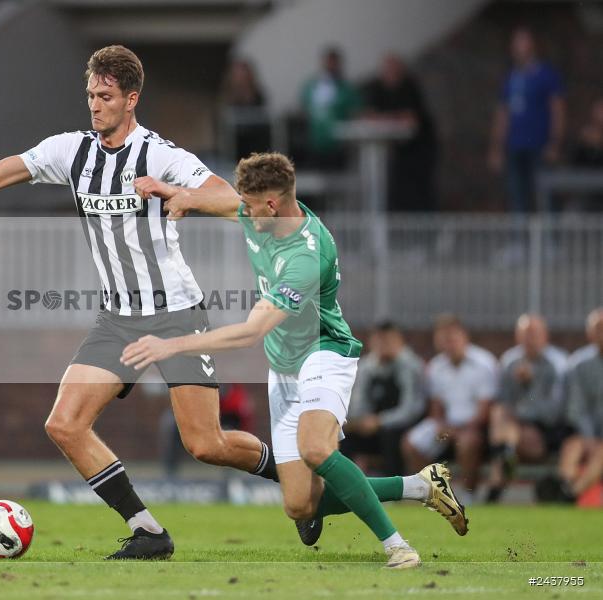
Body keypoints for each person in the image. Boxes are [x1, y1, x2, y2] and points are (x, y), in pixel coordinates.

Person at [0, 45, 282, 560]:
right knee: (63, 423)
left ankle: (293, 469)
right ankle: (148, 531)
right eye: (90, 95)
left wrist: (180, 193)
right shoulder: (69, 150)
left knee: (206, 444)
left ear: (131, 99)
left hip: (176, 315)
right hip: (117, 320)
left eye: (105, 97)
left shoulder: (161, 155)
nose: (94, 105)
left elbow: (235, 202)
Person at [121, 153, 469, 570]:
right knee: (300, 506)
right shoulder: (260, 214)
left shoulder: (305, 256)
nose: (243, 211)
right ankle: (420, 487)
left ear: (271, 204)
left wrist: (171, 346)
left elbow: (251, 331)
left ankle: (397, 545)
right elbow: (222, 202)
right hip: (283, 368)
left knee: (316, 449)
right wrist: (177, 194)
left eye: (249, 204)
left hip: (323, 353)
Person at [401, 314, 497, 504]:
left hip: (474, 428)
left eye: (452, 338)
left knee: (467, 443)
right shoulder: (436, 367)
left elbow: (485, 411)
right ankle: (438, 493)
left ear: (464, 337)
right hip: (447, 426)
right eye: (443, 339)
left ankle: (469, 495)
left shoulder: (484, 364)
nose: (448, 344)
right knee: (410, 444)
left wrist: (458, 430)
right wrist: (441, 426)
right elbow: (436, 406)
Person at [485, 314, 569, 503]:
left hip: (545, 431)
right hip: (512, 429)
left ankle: (496, 485)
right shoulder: (510, 361)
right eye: (524, 334)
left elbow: (553, 413)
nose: (529, 339)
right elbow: (503, 401)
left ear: (545, 336)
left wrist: (530, 386)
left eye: (533, 334)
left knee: (509, 429)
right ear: (517, 337)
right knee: (498, 413)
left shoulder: (557, 364)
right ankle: (506, 453)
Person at [488, 27, 565, 213]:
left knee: (544, 193)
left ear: (532, 45)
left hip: (539, 145)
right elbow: (502, 114)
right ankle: (518, 238)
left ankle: (549, 238)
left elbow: (558, 110)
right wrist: (496, 147)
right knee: (516, 193)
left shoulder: (547, 75)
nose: (518, 47)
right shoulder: (511, 78)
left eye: (522, 42)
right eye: (515, 43)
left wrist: (555, 142)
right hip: (515, 145)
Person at [342, 320, 426, 476]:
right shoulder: (367, 366)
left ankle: (394, 485)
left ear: (399, 341)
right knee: (342, 435)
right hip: (371, 424)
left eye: (388, 340)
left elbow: (411, 409)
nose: (383, 345)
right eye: (378, 340)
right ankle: (345, 484)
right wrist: (359, 421)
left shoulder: (411, 365)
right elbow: (358, 401)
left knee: (392, 436)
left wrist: (379, 421)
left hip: (401, 425)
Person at [362, 53, 438, 211]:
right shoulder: (376, 88)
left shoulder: (409, 87)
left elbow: (411, 118)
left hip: (417, 150)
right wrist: (392, 118)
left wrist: (386, 118)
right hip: (390, 151)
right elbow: (369, 116)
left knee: (416, 191)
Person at [557, 308, 603, 501]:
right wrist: (589, 438)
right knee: (572, 446)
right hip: (587, 435)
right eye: (599, 329)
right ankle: (563, 487)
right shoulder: (578, 364)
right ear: (590, 334)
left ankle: (570, 495)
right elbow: (576, 408)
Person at [298, 46, 359, 170]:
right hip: (315, 142)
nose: (330, 65)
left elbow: (356, 112)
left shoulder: (346, 88)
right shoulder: (311, 86)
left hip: (339, 144)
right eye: (328, 62)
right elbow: (304, 109)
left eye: (333, 62)